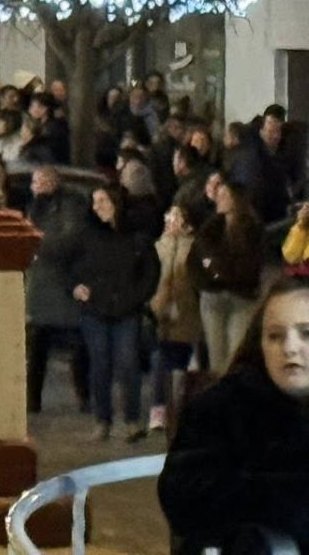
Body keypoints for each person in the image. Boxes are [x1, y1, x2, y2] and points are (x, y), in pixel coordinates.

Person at [159, 274, 309, 555]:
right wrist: (288, 496)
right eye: (275, 336)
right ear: (259, 343)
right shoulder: (221, 407)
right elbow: (184, 499)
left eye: (306, 333)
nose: (289, 348)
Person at [67, 184, 160, 442]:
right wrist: (75, 287)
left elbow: (150, 271)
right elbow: (68, 266)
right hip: (94, 310)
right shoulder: (86, 234)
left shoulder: (136, 236)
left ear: (116, 202)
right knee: (100, 364)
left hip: (126, 311)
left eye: (103, 201)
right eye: (94, 202)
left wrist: (137, 298)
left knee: (128, 363)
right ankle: (102, 420)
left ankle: (132, 419)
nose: (97, 207)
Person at [24, 161, 90, 413]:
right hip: (40, 285)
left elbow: (69, 239)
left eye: (41, 181)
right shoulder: (35, 207)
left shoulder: (72, 204)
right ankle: (32, 399)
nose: (37, 186)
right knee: (36, 347)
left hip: (65, 282)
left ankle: (85, 396)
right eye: (35, 182)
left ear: (54, 182)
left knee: (77, 346)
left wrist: (38, 245)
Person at [191, 177, 263, 370]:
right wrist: (213, 270)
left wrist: (215, 268)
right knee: (216, 357)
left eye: (224, 195)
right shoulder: (210, 229)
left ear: (236, 200)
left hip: (241, 298)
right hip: (213, 296)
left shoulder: (251, 230)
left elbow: (246, 267)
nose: (218, 198)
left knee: (235, 355)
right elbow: (199, 258)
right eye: (218, 194)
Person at [149, 201, 202, 432]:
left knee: (183, 365)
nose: (171, 221)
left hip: (186, 317)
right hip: (160, 316)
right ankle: (158, 408)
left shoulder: (195, 248)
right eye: (169, 216)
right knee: (159, 360)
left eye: (177, 217)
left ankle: (181, 411)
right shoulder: (158, 247)